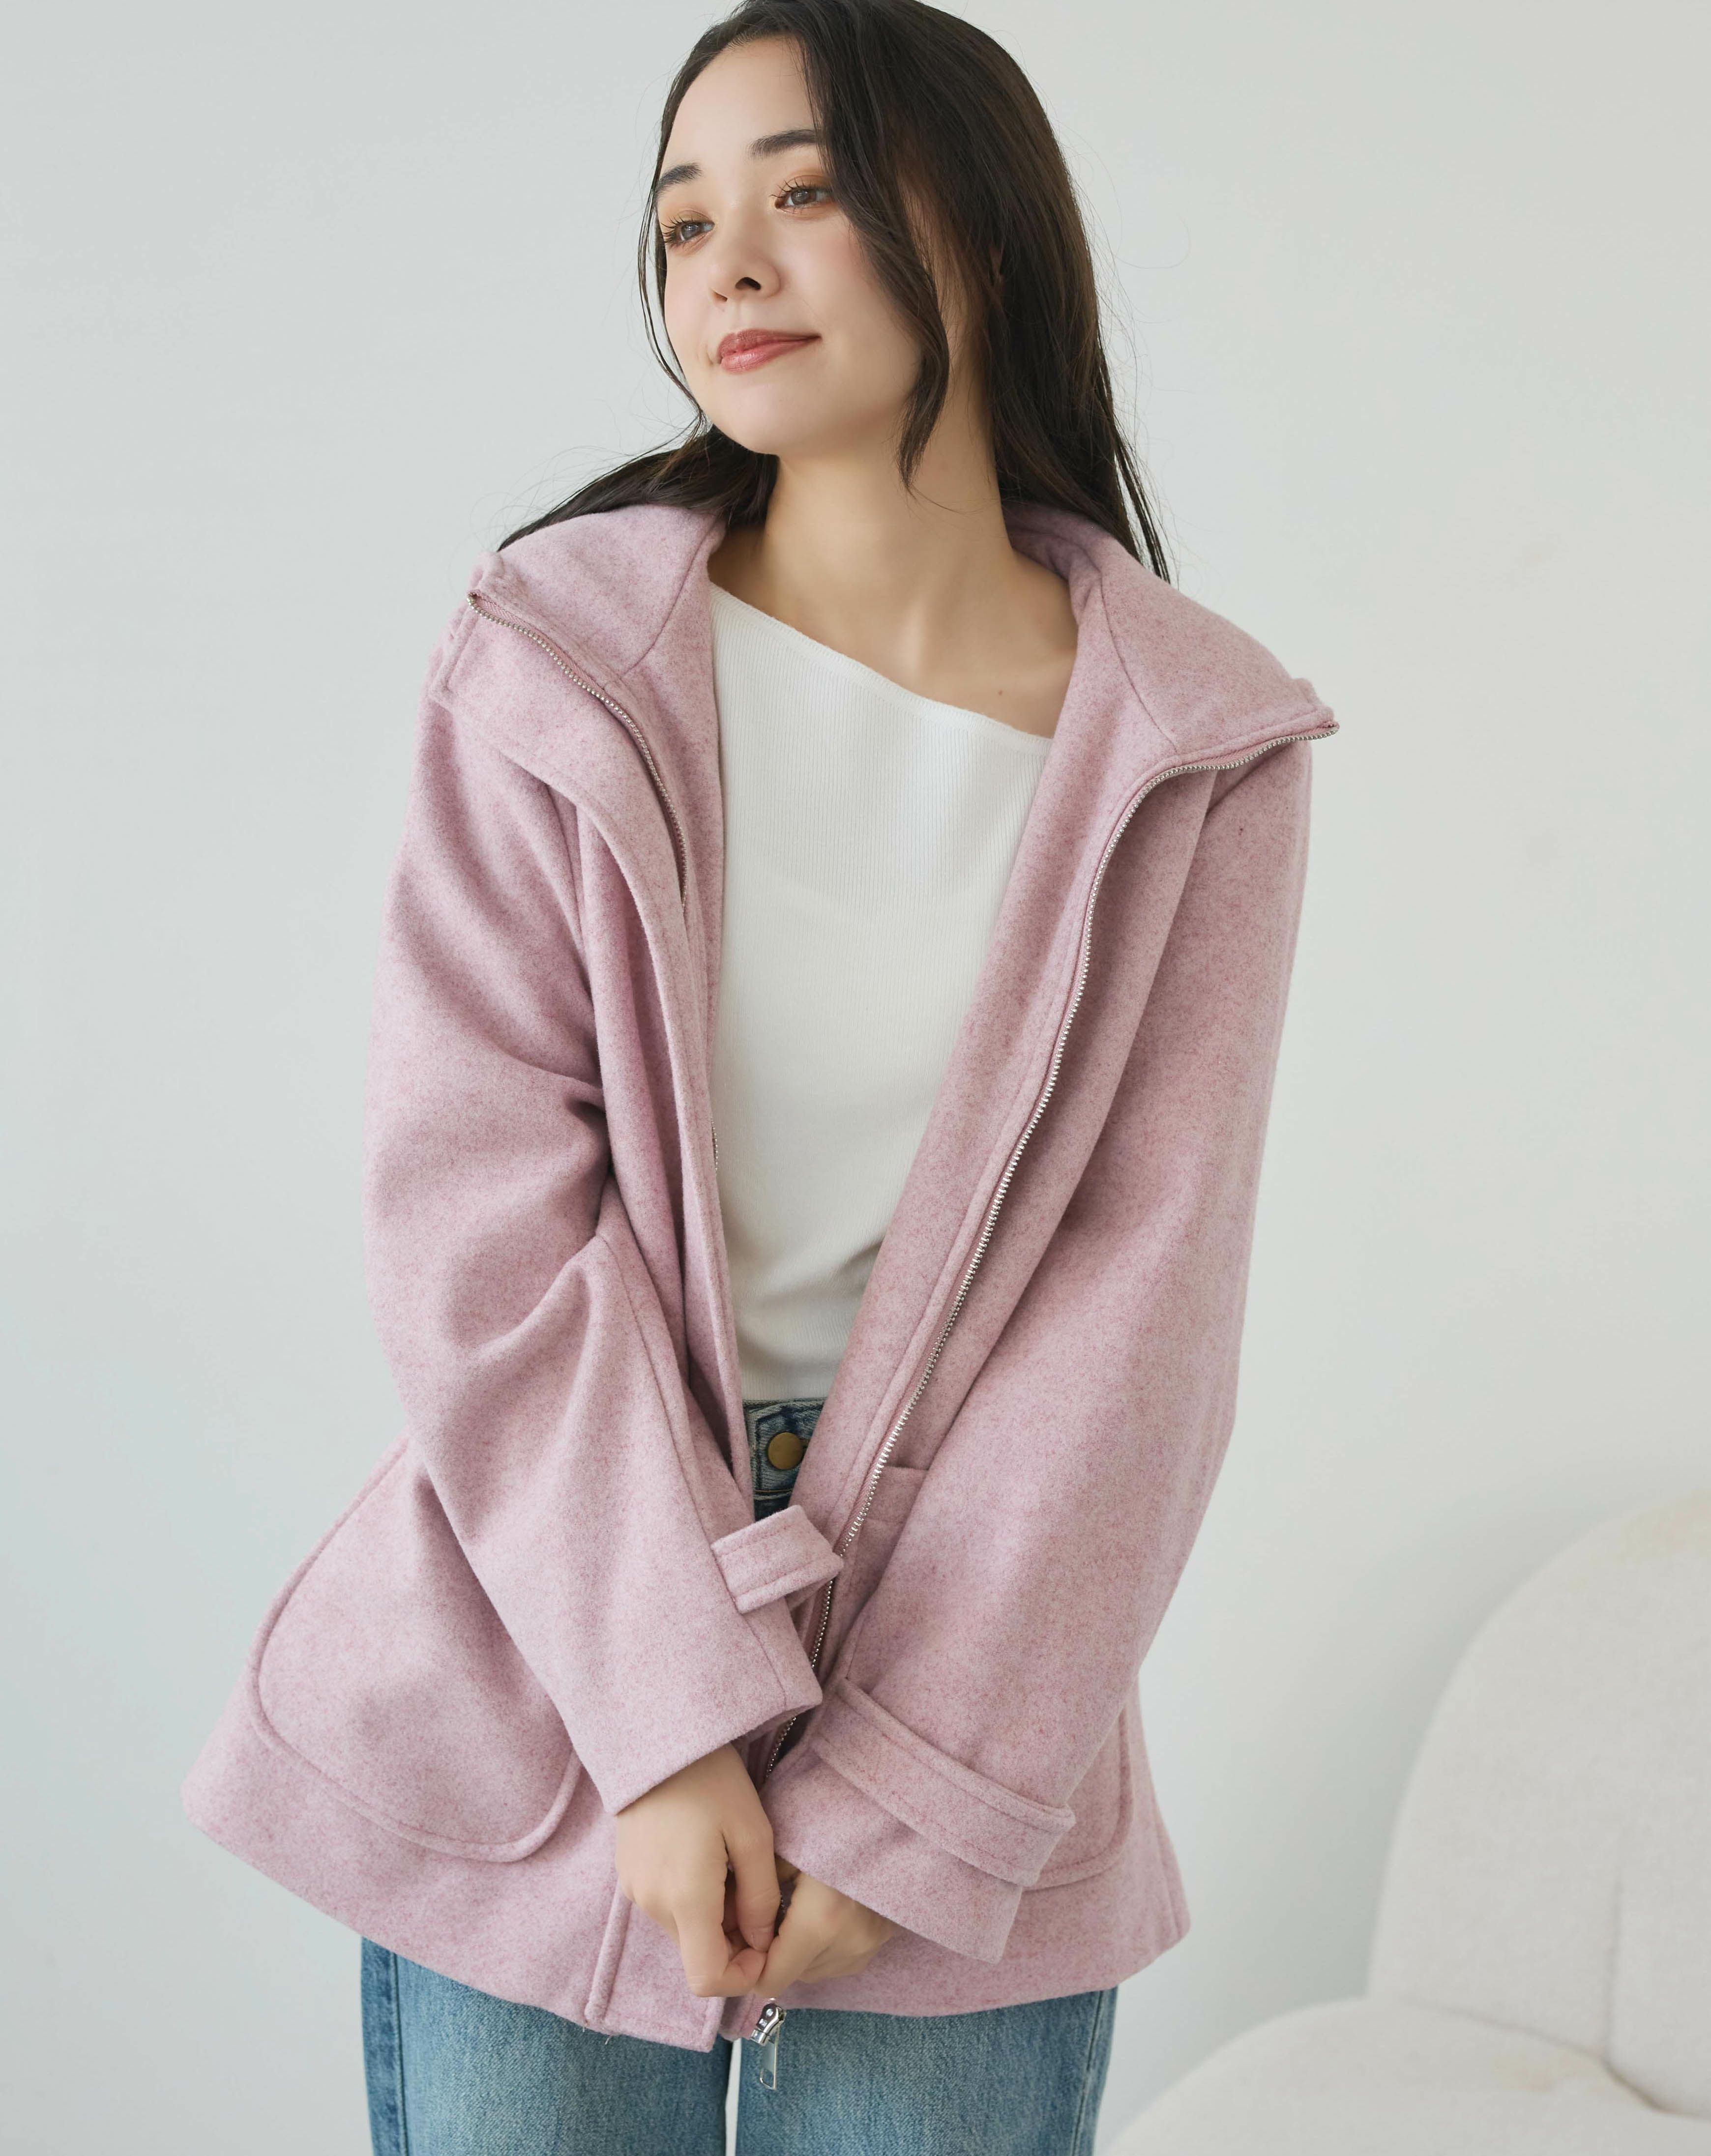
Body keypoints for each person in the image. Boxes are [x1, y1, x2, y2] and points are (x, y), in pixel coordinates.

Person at [181, 1, 1338, 2148]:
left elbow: (1141, 1303)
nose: (727, 263)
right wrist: (661, 1713)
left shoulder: (1200, 750)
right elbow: (479, 1209)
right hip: (553, 1630)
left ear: (980, 229)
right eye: (681, 220)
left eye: (803, 192)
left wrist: (907, 1792)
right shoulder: (555, 661)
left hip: (980, 1672)